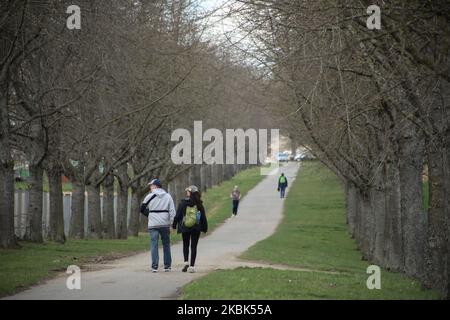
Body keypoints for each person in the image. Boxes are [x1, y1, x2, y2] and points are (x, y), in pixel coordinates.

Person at [140, 178, 176, 273]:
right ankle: (167, 266)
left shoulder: (149, 196)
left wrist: (151, 215)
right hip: (164, 224)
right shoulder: (168, 196)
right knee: (166, 245)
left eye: (151, 185)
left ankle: (154, 266)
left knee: (154, 245)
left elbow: (142, 209)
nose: (150, 187)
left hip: (153, 224)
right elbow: (172, 211)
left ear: (155, 186)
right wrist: (172, 224)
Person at [172, 185, 208, 273]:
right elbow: (203, 217)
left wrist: (174, 225)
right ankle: (192, 266)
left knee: (185, 245)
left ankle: (186, 263)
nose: (186, 193)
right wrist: (204, 228)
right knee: (194, 246)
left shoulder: (183, 203)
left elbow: (178, 216)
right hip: (196, 227)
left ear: (190, 192)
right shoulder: (199, 204)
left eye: (187, 191)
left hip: (185, 227)